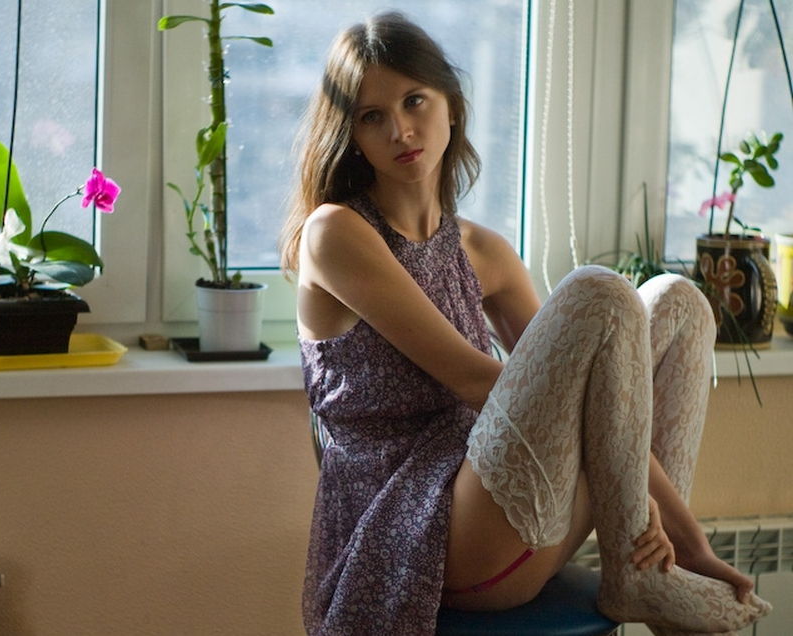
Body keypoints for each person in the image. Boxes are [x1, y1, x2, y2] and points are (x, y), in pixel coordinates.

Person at [279, 11, 772, 636]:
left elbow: (591, 396)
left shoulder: (484, 251)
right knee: (598, 293)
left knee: (679, 300)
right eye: (372, 116)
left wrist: (686, 536)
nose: (400, 129)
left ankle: (651, 564)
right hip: (425, 531)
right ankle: (638, 566)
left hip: (517, 515)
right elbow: (475, 381)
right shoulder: (336, 233)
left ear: (451, 105)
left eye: (414, 101)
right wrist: (644, 502)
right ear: (351, 135)